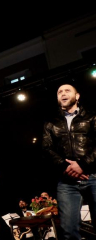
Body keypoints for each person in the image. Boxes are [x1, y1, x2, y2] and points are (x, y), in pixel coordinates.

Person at [42, 83, 96, 240]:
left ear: (77, 96)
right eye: (59, 92)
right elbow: (46, 149)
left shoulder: (92, 116)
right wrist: (67, 167)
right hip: (66, 181)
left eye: (67, 91)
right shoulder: (50, 122)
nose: (63, 94)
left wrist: (82, 165)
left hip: (93, 176)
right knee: (68, 230)